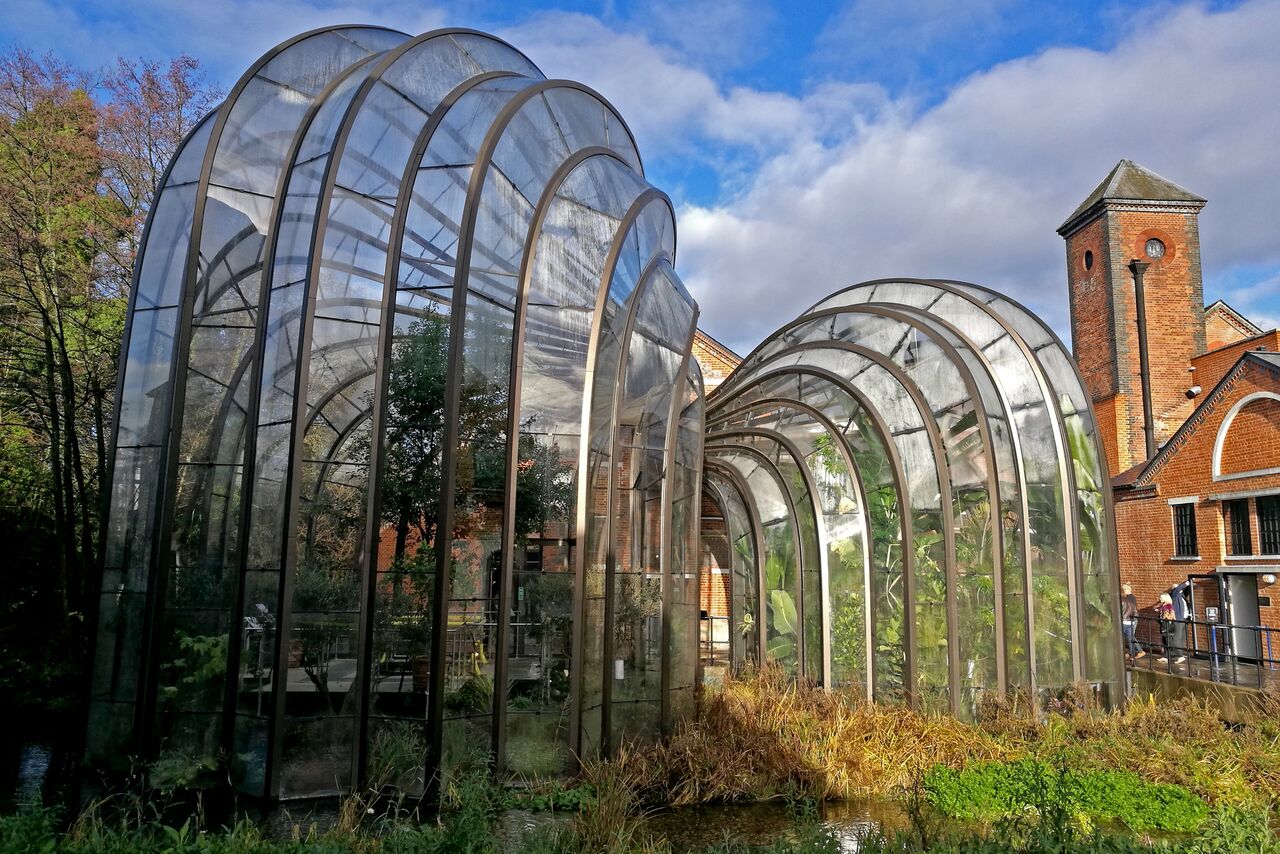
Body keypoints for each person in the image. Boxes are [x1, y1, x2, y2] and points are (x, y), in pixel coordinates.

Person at [1121, 583, 1144, 660]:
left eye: (1123, 591)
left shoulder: (1125, 599)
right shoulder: (1132, 598)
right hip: (1131, 620)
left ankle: (1136, 652)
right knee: (1130, 637)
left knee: (1125, 638)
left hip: (1125, 620)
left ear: (1125, 590)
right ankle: (1132, 654)